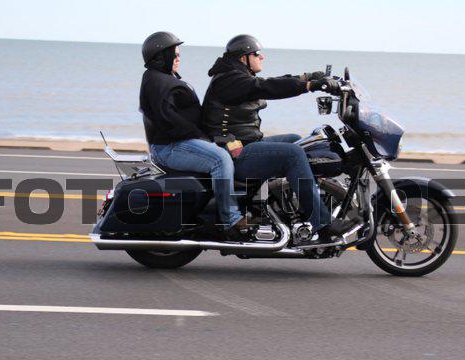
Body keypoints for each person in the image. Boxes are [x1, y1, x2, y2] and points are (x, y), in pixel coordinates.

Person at [202, 34, 355, 242]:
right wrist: (311, 85)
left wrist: (309, 77)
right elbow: (267, 86)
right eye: (256, 54)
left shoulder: (235, 75)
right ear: (243, 58)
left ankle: (289, 205)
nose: (261, 57)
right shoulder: (230, 80)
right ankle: (323, 222)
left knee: (296, 140)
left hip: (245, 142)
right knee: (293, 154)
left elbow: (273, 81)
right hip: (233, 151)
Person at [138, 31, 248, 239]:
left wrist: (215, 136)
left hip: (179, 141)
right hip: (170, 147)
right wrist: (202, 137)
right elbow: (168, 119)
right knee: (220, 159)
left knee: (237, 150)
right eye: (175, 54)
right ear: (161, 56)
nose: (178, 58)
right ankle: (231, 220)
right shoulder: (157, 81)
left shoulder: (160, 78)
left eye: (179, 54)